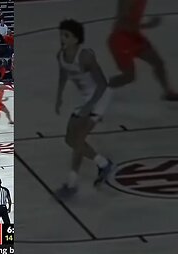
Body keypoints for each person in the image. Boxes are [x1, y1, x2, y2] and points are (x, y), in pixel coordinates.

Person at [55, 19, 114, 196]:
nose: (62, 38)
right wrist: (59, 96)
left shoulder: (85, 56)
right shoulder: (61, 55)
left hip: (100, 97)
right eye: (62, 34)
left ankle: (74, 182)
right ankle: (102, 164)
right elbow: (63, 75)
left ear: (76, 39)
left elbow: (103, 84)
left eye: (67, 35)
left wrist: (89, 106)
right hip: (87, 99)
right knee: (72, 139)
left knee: (77, 139)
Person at [108, 0, 178, 100]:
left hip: (134, 36)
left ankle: (168, 92)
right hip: (121, 39)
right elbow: (123, 23)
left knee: (157, 62)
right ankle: (100, 87)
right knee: (129, 77)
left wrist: (147, 25)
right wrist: (149, 25)